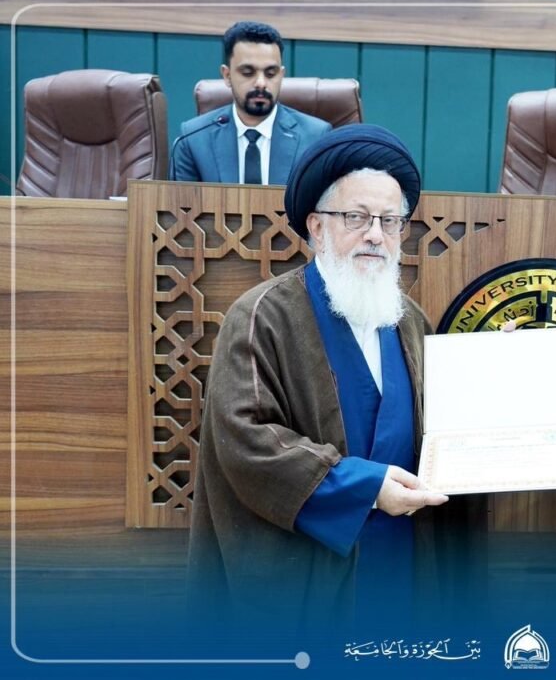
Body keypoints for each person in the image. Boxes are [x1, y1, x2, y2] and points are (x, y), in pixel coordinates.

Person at [188, 124, 484, 632]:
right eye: (356, 217)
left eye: (390, 221)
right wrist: (365, 487)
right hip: (305, 578)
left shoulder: (411, 322)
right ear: (317, 227)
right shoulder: (261, 316)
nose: (375, 235)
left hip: (404, 567)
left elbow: (442, 427)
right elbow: (245, 439)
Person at [169, 21, 330, 185]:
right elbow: (183, 201)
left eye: (270, 73)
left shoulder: (315, 138)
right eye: (248, 73)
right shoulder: (193, 139)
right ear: (227, 75)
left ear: (281, 75)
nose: (261, 83)